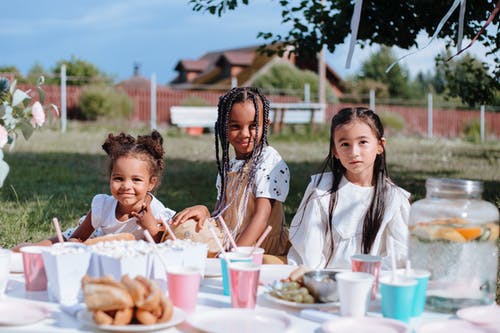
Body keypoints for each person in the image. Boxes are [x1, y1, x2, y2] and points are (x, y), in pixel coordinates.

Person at [171, 87, 290, 262]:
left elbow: (261, 218)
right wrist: (204, 211)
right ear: (223, 126)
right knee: (182, 229)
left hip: (257, 245)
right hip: (229, 239)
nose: (244, 134)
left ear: (266, 124)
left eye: (253, 126)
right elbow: (222, 214)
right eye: (235, 126)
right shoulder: (229, 166)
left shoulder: (269, 160)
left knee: (188, 247)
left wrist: (234, 254)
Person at [287, 107, 410, 269]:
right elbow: (308, 252)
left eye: (363, 142)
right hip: (325, 282)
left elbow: (400, 256)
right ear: (335, 151)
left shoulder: (393, 198)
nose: (354, 152)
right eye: (345, 144)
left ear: (380, 145)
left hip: (371, 284)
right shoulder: (321, 190)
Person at [13, 130, 175, 250]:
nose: (126, 186)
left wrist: (152, 227)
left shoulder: (157, 212)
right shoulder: (103, 206)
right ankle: (29, 250)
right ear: (110, 178)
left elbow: (168, 245)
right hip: (94, 240)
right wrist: (75, 244)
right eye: (118, 178)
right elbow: (78, 236)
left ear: (151, 183)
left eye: (136, 180)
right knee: (51, 245)